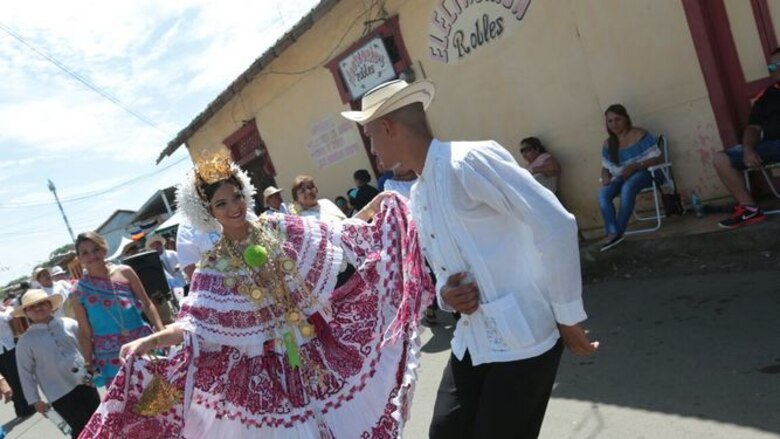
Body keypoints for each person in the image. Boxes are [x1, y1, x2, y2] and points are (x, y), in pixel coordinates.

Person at [80, 151, 433, 437]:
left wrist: (374, 209)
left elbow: (335, 234)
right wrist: (150, 341)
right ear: (208, 212)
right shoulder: (213, 266)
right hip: (269, 370)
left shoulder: (277, 225)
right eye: (221, 204)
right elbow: (192, 327)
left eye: (236, 197)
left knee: (346, 422)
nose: (233, 207)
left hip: (319, 346)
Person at [342, 79, 598, 439]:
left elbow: (555, 223)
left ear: (388, 127)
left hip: (524, 337)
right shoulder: (419, 192)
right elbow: (442, 270)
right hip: (473, 340)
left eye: (370, 136)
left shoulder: (469, 162)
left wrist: (567, 316)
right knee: (444, 433)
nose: (371, 148)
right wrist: (447, 296)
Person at [71, 231, 165, 387]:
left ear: (104, 250)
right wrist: (88, 364)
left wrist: (161, 333)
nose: (92, 255)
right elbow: (85, 332)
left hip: (143, 343)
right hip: (111, 358)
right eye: (85, 253)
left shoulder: (125, 272)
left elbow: (147, 304)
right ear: (79, 259)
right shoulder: (78, 291)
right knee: (128, 398)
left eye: (96, 249)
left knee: (162, 391)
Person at [14, 289, 100, 438]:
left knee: (100, 419)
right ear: (26, 313)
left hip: (85, 382)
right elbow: (25, 372)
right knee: (81, 430)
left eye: (42, 303)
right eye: (32, 307)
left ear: (50, 305)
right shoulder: (25, 341)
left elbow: (85, 346)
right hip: (59, 392)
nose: (38, 308)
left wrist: (93, 367)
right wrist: (35, 400)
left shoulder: (69, 323)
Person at [713, 48, 780, 228]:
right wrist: (748, 149)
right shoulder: (766, 96)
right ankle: (750, 210)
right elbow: (753, 127)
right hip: (771, 146)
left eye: (779, 64)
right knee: (721, 159)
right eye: (771, 66)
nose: (775, 69)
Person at [597, 104, 663, 251]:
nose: (614, 124)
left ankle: (617, 233)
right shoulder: (608, 144)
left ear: (626, 119)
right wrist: (605, 175)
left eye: (618, 119)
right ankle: (612, 232)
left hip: (649, 173)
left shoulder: (640, 134)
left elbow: (656, 158)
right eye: (610, 121)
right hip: (622, 177)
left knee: (628, 187)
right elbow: (605, 167)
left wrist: (635, 166)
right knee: (603, 193)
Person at [0, 302, 34, 419]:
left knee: (13, 379)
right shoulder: (3, 312)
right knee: (15, 379)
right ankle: (25, 407)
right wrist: (6, 309)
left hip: (7, 348)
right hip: (7, 349)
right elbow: (8, 316)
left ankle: (21, 407)